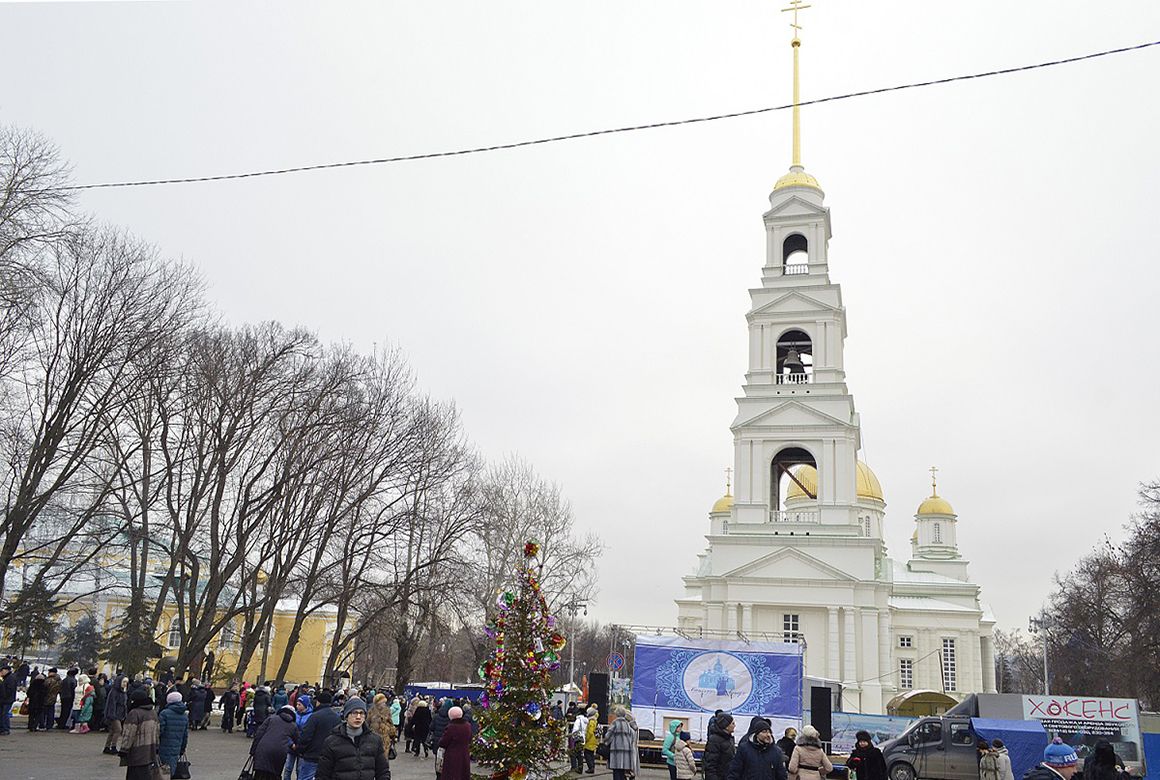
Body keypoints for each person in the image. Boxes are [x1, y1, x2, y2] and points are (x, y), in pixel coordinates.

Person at [315, 696, 390, 780]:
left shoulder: (375, 740)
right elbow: (322, 774)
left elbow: (383, 771)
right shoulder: (332, 742)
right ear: (346, 715)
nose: (358, 717)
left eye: (361, 713)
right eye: (354, 713)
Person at [297, 690, 341, 780]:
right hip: (329, 756)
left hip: (312, 755)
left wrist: (301, 749)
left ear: (318, 702)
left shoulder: (314, 716)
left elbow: (306, 736)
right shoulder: (337, 717)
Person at [119, 687, 161, 780]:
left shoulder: (134, 713)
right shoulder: (153, 713)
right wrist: (156, 747)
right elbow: (157, 732)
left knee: (134, 775)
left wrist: (124, 750)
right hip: (150, 751)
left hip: (137, 751)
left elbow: (129, 733)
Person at [251, 704, 300, 780]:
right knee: (274, 775)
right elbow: (298, 742)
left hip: (263, 749)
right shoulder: (293, 726)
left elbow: (259, 734)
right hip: (279, 753)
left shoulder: (271, 719)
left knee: (260, 774)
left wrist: (253, 751)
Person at [158, 691, 190, 776]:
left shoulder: (164, 713)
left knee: (163, 771)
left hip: (163, 746)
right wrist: (182, 748)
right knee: (171, 769)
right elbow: (185, 735)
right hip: (177, 747)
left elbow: (159, 731)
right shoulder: (184, 716)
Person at [604, 706, 639, 780]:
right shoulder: (627, 724)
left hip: (616, 751)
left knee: (616, 773)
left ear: (617, 714)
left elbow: (608, 736)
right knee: (622, 774)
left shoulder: (615, 723)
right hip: (626, 752)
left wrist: (605, 742)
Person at [438, 705, 473, 780]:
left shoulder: (451, 727)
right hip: (464, 753)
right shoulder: (468, 725)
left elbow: (443, 742)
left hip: (452, 754)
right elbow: (470, 739)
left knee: (452, 774)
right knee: (463, 773)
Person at [285, 694, 315, 780]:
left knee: (300, 769)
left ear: (305, 705)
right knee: (288, 768)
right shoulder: (294, 715)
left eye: (299, 704)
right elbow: (289, 730)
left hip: (303, 747)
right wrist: (291, 743)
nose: (297, 706)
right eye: (297, 704)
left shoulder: (311, 717)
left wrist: (302, 745)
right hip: (292, 746)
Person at [704, 713, 737, 780]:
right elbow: (710, 765)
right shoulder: (714, 740)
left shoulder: (730, 739)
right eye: (732, 723)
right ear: (726, 726)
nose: (735, 726)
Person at [104, 674, 129, 753]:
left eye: (126, 682)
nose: (125, 684)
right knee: (118, 730)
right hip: (114, 715)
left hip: (119, 714)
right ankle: (113, 746)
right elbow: (112, 704)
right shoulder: (114, 692)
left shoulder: (123, 691)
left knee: (112, 730)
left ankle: (107, 747)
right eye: (124, 682)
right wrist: (112, 715)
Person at [367, 693, 397, 758]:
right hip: (373, 737)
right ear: (378, 703)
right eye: (383, 702)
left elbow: (391, 723)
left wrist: (391, 731)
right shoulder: (371, 711)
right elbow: (367, 723)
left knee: (383, 758)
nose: (384, 704)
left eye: (384, 702)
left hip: (385, 738)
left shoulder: (387, 711)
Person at [570, 704, 589, 773]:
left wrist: (572, 736)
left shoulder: (578, 720)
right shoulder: (586, 720)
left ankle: (574, 767)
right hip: (583, 738)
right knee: (580, 754)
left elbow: (575, 730)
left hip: (577, 738)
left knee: (573, 753)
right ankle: (580, 768)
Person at [0, 664, 16, 735]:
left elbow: (9, 690)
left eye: (2, 671)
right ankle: (3, 728)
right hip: (5, 700)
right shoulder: (6, 678)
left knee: (4, 714)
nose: (1, 672)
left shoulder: (10, 678)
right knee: (3, 714)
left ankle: (6, 728)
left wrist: (4, 697)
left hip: (7, 700)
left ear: (6, 671)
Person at [584, 706, 600, 774]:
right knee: (591, 754)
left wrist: (586, 739)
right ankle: (592, 767)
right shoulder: (595, 720)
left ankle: (590, 767)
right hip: (594, 740)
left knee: (587, 754)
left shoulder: (591, 722)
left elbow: (590, 732)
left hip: (590, 740)